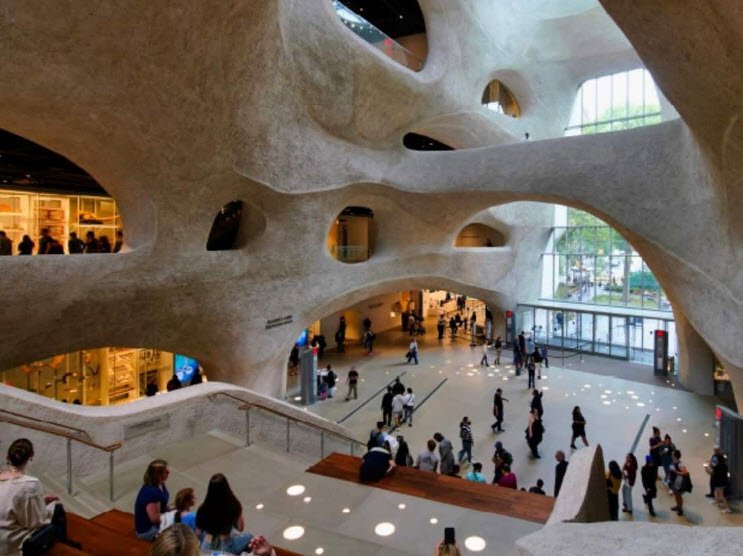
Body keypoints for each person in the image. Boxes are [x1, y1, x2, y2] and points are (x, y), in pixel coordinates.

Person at [0, 438, 66, 556]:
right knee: (57, 509)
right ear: (31, 456)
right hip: (9, 544)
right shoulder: (30, 484)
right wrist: (42, 507)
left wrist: (40, 502)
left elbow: (8, 506)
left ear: (8, 457)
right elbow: (35, 523)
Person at [195, 473, 254, 554]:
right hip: (225, 546)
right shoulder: (234, 505)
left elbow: (198, 532)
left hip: (207, 544)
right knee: (249, 536)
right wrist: (240, 513)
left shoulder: (202, 508)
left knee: (217, 541)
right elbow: (240, 528)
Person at [134, 459, 170, 541]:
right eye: (166, 472)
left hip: (158, 522)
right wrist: (172, 516)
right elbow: (154, 518)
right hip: (148, 530)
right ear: (158, 475)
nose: (169, 472)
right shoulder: (152, 492)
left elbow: (162, 505)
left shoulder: (160, 483)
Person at [708, 447, 731, 513]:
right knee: (716, 491)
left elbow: (712, 466)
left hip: (719, 480)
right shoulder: (722, 458)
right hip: (722, 479)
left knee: (721, 494)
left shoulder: (716, 459)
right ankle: (717, 502)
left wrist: (709, 466)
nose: (714, 451)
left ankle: (727, 508)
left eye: (715, 450)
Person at [669, 449, 691, 516]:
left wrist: (676, 472)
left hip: (678, 482)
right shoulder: (674, 462)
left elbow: (686, 473)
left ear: (675, 456)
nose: (671, 455)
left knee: (678, 496)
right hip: (674, 481)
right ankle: (677, 506)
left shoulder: (680, 464)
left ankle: (680, 509)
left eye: (672, 454)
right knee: (676, 495)